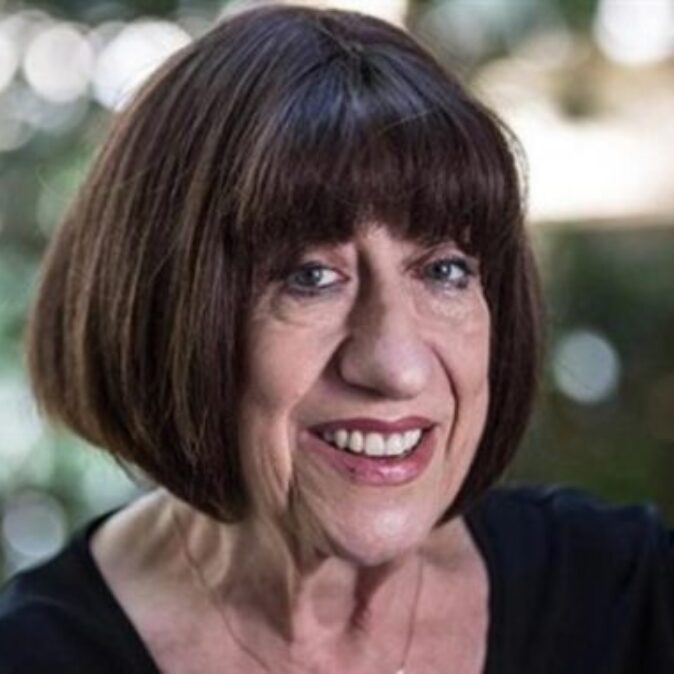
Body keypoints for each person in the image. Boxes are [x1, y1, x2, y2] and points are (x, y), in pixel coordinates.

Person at [0, 4, 672, 673]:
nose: (396, 366)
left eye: (444, 270)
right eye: (310, 277)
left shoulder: (631, 604)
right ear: (168, 313)